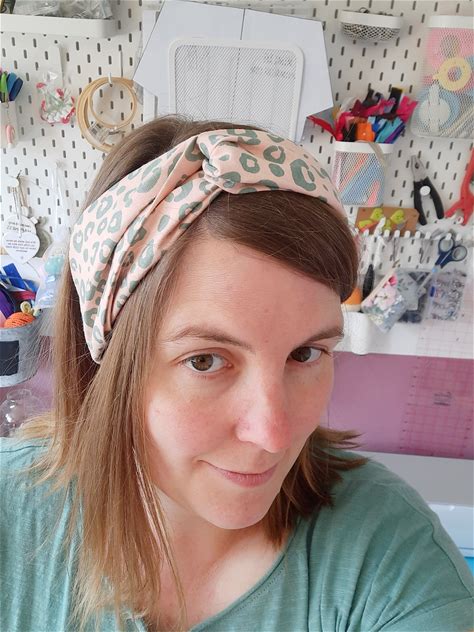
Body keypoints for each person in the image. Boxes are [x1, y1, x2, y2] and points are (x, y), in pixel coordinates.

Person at [0, 117, 472, 632]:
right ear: (110, 364)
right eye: (205, 361)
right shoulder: (11, 509)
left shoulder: (389, 552)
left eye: (306, 353)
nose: (273, 435)